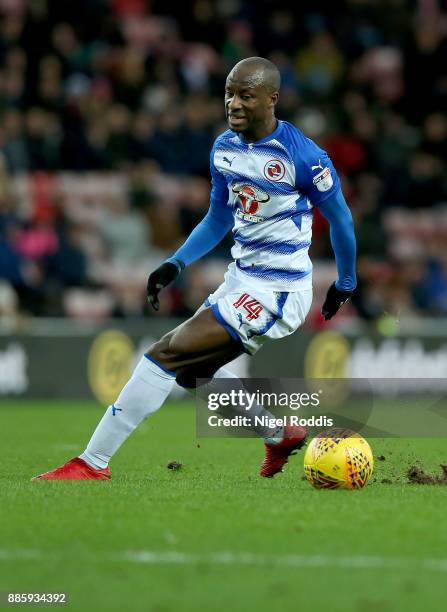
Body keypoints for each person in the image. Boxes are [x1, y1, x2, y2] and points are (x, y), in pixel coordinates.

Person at [33, 57, 356, 481]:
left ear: (271, 99)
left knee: (164, 353)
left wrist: (345, 281)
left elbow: (342, 220)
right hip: (240, 279)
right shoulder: (224, 148)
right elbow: (218, 218)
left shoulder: (304, 156)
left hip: (278, 290)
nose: (233, 103)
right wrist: (176, 263)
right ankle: (278, 434)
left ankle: (92, 463)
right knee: (193, 373)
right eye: (228, 93)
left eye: (245, 95)